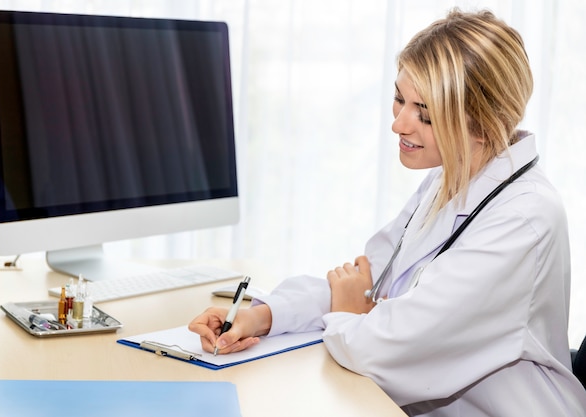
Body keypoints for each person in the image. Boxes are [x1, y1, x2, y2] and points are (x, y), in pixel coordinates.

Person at [188, 8, 586, 416]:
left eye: (424, 113)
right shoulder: (449, 179)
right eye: (399, 99)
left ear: (483, 122)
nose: (398, 124)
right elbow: (367, 281)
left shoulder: (523, 219)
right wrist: (264, 316)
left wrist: (349, 312)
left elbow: (390, 348)